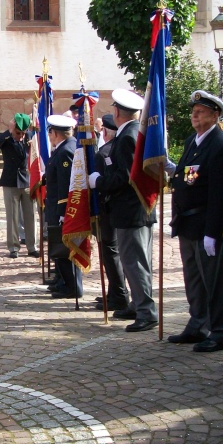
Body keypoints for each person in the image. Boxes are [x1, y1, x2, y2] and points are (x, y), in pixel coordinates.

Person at [168, 90, 223, 352]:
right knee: (194, 279)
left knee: (216, 281)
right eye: (193, 111)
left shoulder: (221, 146)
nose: (195, 115)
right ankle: (198, 324)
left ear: (215, 115)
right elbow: (187, 177)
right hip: (188, 224)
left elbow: (220, 193)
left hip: (208, 224)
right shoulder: (192, 141)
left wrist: (213, 231)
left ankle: (219, 331)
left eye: (201, 111)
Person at [88, 90, 158, 332]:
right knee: (132, 262)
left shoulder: (128, 136)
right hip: (132, 210)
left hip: (132, 210)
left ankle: (146, 312)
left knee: (135, 263)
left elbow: (126, 177)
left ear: (117, 112)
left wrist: (99, 181)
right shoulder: (131, 132)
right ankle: (138, 305)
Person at [93, 113, 130, 312]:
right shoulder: (109, 149)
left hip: (108, 209)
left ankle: (119, 294)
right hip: (112, 208)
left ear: (106, 131)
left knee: (111, 253)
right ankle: (115, 292)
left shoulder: (105, 152)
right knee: (111, 253)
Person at [46, 114, 82, 299]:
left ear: (55, 133)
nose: (49, 135)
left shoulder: (66, 151)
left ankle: (72, 286)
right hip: (54, 207)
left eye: (50, 132)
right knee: (58, 248)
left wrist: (62, 212)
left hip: (61, 209)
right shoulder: (62, 148)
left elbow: (66, 186)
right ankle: (62, 281)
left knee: (64, 249)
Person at [0, 113, 37, 258]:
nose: (20, 136)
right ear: (13, 129)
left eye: (23, 133)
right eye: (18, 133)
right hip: (11, 181)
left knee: (30, 215)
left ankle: (32, 246)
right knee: (13, 216)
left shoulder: (30, 137)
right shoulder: (6, 138)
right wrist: (9, 132)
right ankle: (13, 247)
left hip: (27, 180)